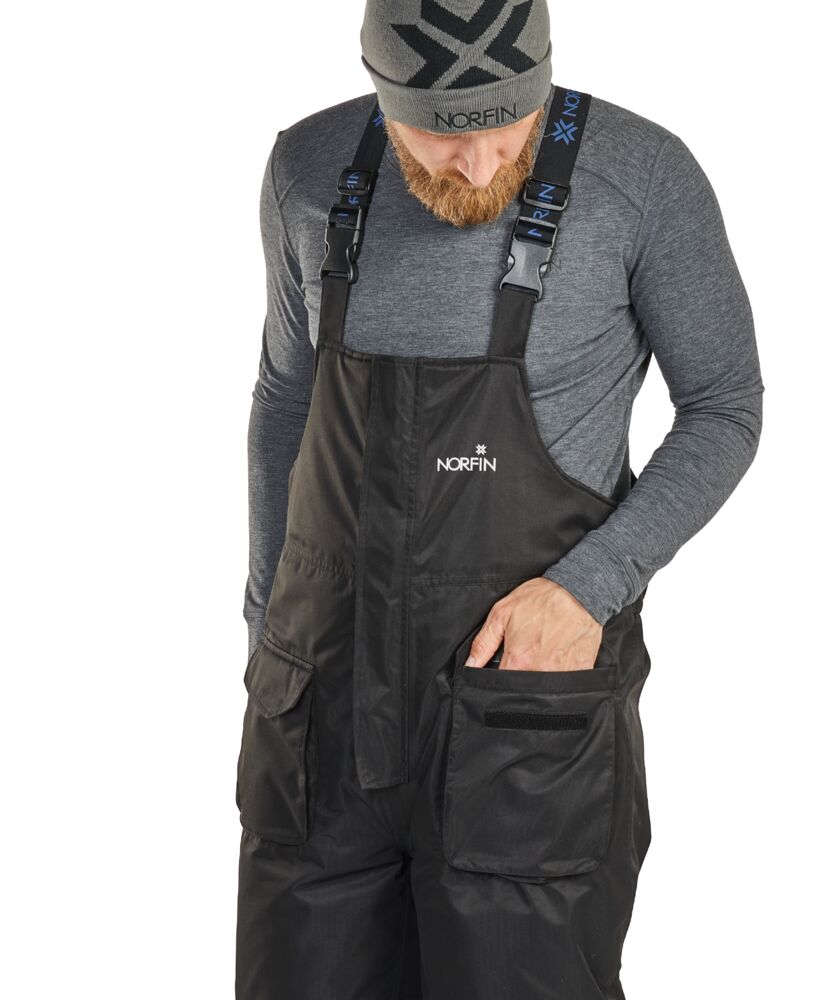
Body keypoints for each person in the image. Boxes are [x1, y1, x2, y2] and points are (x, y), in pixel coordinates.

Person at [235, 2, 764, 997]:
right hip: (319, 722)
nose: (477, 167)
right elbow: (285, 401)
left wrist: (588, 588)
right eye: (439, 135)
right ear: (382, 96)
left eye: (505, 128)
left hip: (526, 727)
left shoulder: (642, 177)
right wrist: (270, 623)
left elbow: (724, 409)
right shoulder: (307, 169)